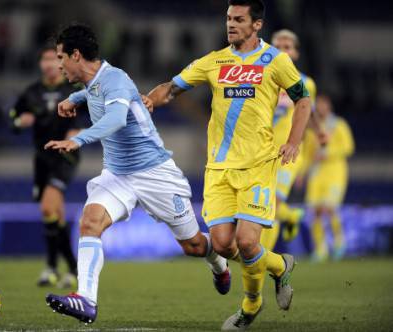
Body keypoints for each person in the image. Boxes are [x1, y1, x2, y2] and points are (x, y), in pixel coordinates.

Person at [44, 23, 230, 324]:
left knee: (194, 245)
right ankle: (86, 300)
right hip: (118, 175)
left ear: (76, 55)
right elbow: (92, 93)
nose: (58, 64)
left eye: (61, 57)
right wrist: (74, 99)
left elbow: (117, 119)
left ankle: (219, 264)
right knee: (90, 221)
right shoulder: (94, 83)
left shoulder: (115, 80)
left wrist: (78, 139)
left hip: (155, 174)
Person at [147, 0, 312, 329]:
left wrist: (293, 141)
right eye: (228, 18)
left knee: (248, 242)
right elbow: (173, 88)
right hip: (219, 169)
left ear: (257, 25)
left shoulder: (275, 61)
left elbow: (303, 99)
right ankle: (279, 266)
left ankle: (250, 305)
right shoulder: (213, 61)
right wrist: (150, 98)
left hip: (259, 165)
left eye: (239, 19)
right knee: (222, 244)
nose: (231, 24)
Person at [10, 45, 81, 288]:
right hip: (41, 160)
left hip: (64, 156)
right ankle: (70, 269)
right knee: (53, 215)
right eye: (45, 59)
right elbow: (13, 118)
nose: (49, 64)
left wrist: (76, 133)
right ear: (40, 63)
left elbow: (87, 119)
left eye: (54, 59)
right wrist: (20, 121)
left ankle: (53, 267)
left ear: (61, 62)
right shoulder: (32, 92)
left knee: (48, 208)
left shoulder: (72, 91)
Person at [259, 29, 318, 250]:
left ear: (295, 53)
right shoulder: (262, 80)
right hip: (262, 152)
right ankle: (291, 216)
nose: (283, 51)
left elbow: (307, 116)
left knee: (272, 204)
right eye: (278, 47)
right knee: (262, 206)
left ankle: (261, 261)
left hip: (288, 153)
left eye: (287, 47)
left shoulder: (306, 83)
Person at [303, 94, 354, 262]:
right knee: (314, 212)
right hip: (316, 174)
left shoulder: (338, 125)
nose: (320, 108)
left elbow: (348, 147)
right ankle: (321, 250)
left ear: (329, 106)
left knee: (330, 208)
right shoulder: (313, 128)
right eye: (317, 105)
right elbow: (308, 153)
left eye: (323, 105)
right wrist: (301, 173)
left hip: (335, 173)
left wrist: (328, 154)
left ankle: (340, 243)